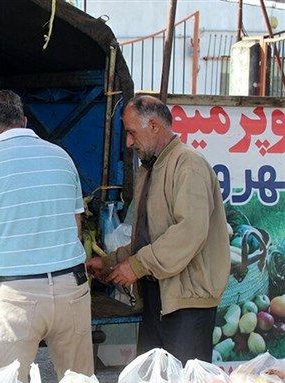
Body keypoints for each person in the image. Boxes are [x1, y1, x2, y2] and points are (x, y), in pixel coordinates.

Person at [0, 89, 92, 383]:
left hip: (17, 295)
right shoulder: (62, 158)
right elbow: (76, 227)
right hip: (73, 288)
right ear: (25, 120)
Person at [87, 95, 230, 364]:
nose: (129, 143)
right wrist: (110, 262)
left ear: (153, 125)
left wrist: (137, 266)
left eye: (131, 133)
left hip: (187, 303)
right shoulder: (150, 170)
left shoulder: (188, 165)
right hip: (158, 297)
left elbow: (189, 231)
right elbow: (149, 237)